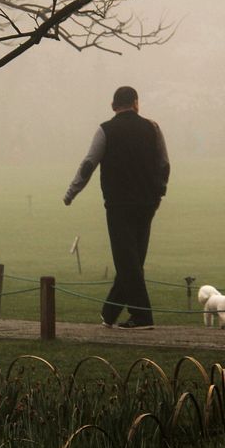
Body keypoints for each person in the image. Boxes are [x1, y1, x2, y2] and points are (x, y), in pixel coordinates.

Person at [63, 86, 170, 329]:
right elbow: (164, 163)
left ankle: (142, 317)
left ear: (113, 106)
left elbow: (89, 164)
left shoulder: (106, 130)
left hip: (119, 204)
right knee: (133, 259)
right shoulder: (152, 128)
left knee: (126, 260)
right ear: (136, 103)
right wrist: (160, 192)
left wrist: (72, 192)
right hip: (147, 203)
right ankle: (109, 313)